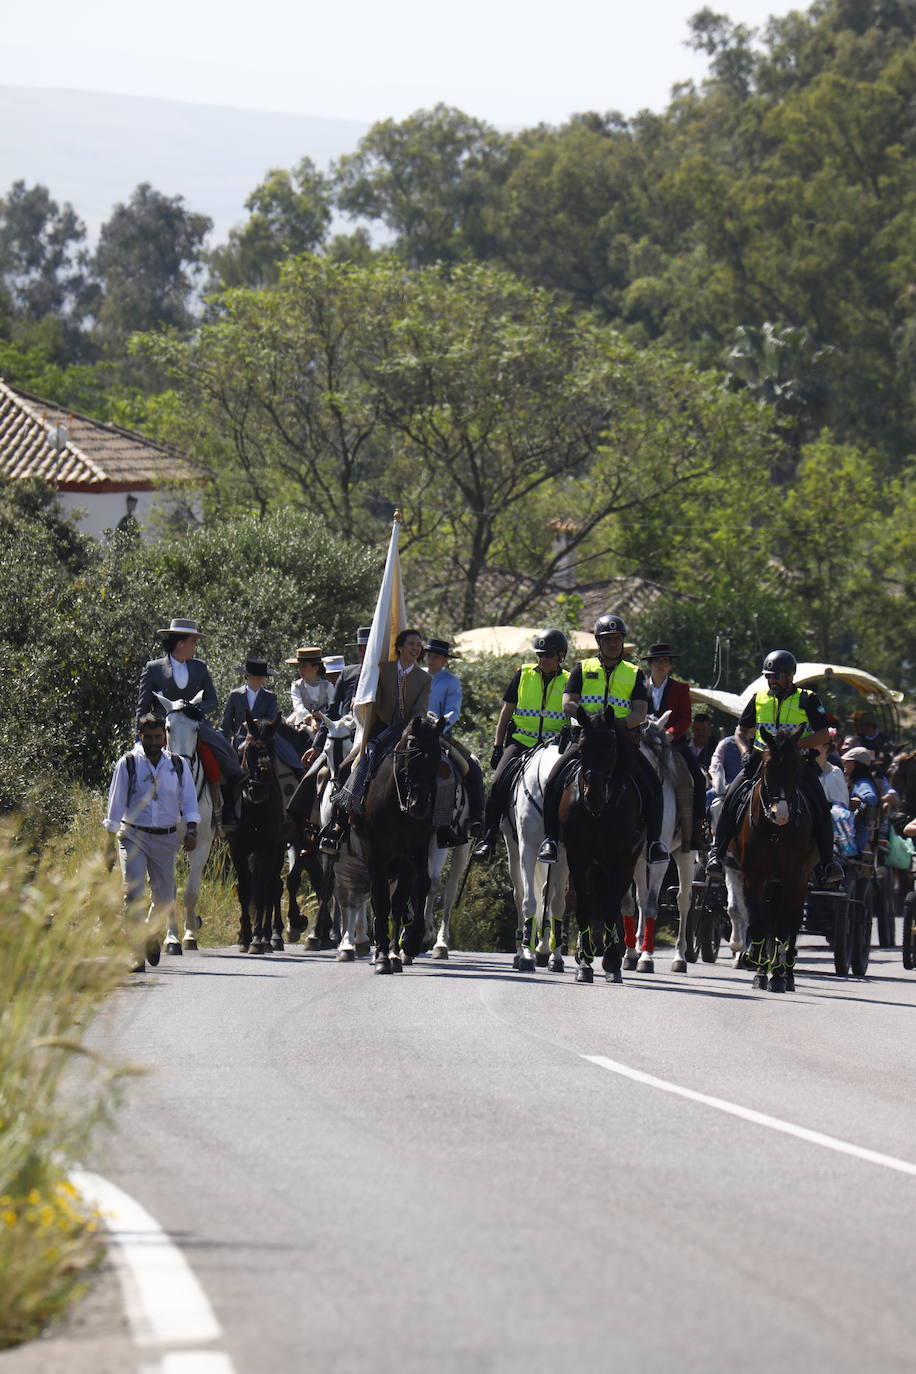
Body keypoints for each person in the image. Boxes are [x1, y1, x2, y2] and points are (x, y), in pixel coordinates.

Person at [535, 614, 669, 865]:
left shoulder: (634, 672)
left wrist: (620, 725)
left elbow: (640, 710)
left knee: (651, 783)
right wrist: (588, 719)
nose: (613, 643)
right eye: (607, 639)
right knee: (554, 779)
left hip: (621, 741)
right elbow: (568, 702)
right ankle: (550, 840)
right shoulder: (582, 668)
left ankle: (654, 843)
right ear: (599, 641)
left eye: (617, 639)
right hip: (587, 739)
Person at [705, 649, 843, 884]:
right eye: (769, 676)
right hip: (762, 761)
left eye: (776, 676)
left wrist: (795, 745)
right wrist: (745, 751)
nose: (772, 680)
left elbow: (822, 734)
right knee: (729, 799)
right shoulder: (759, 698)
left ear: (790, 676)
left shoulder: (808, 699)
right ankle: (716, 855)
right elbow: (740, 731)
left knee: (820, 806)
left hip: (796, 763)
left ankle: (828, 864)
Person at [319, 628, 431, 854]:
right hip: (380, 729)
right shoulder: (383, 670)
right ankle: (339, 822)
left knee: (439, 764)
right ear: (399, 646)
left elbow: (420, 710)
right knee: (343, 768)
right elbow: (374, 700)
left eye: (418, 645)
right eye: (411, 644)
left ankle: (442, 822)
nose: (415, 648)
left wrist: (408, 730)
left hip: (409, 731)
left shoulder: (424, 678)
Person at [104, 713, 200, 972]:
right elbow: (115, 806)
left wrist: (191, 829)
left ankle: (150, 934)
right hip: (133, 835)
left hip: (166, 838)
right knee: (133, 894)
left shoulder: (178, 765)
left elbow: (189, 801)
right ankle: (135, 953)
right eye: (149, 738)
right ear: (140, 736)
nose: (155, 743)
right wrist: (108, 845)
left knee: (164, 898)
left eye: (159, 737)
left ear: (165, 737)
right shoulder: (128, 764)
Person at [472, 629, 570, 862]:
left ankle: (555, 839)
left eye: (548, 655)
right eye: (540, 655)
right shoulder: (523, 674)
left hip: (553, 747)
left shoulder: (569, 679)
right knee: (496, 783)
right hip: (522, 742)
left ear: (561, 656)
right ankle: (488, 840)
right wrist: (497, 746)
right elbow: (506, 713)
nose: (543, 659)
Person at [136, 616, 241, 811]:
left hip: (195, 726)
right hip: (163, 729)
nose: (195, 646)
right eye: (193, 642)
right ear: (181, 643)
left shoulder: (199, 667)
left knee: (224, 752)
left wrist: (195, 710)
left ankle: (225, 807)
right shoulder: (153, 669)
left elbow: (212, 700)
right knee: (133, 765)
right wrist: (139, 735)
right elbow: (143, 707)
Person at [642, 641, 707, 849]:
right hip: (644, 742)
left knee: (698, 777)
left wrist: (670, 734)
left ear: (670, 666)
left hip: (673, 744)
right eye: (657, 662)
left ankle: (696, 828)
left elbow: (686, 719)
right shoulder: (639, 687)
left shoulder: (680, 688)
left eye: (665, 661)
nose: (661, 665)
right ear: (650, 665)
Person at [841, 746, 880, 853]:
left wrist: (858, 805)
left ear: (856, 764)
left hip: (855, 838)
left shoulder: (862, 783)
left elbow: (871, 798)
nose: (844, 764)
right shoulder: (857, 781)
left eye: (847, 762)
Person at [329, 626, 371, 719]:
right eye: (360, 649)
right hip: (347, 724)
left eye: (367, 649)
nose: (363, 653)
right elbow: (333, 707)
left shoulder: (385, 674)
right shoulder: (347, 673)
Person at [286, 646, 334, 727]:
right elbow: (298, 706)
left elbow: (332, 705)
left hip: (325, 721)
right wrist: (310, 719)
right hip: (302, 721)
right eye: (299, 666)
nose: (300, 669)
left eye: (304, 666)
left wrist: (323, 716)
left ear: (315, 668)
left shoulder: (327, 685)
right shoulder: (296, 686)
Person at [425, 637, 463, 731]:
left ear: (445, 660)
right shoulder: (416, 674)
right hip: (409, 726)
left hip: (435, 731)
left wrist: (439, 728)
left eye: (436, 657)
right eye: (429, 655)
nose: (431, 659)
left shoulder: (451, 681)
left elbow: (453, 711)